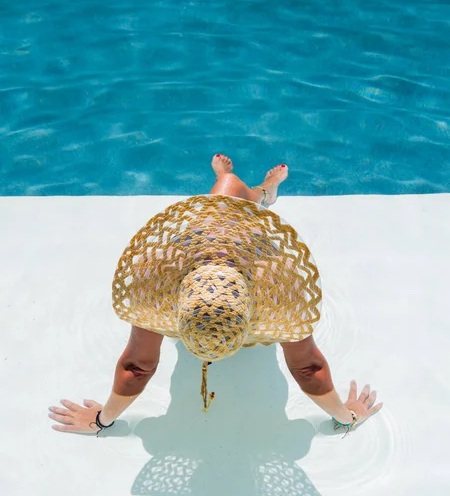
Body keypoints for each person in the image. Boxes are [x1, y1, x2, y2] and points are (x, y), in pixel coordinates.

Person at [48, 154, 383, 436]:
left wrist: (101, 421)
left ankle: (247, 189)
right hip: (241, 313)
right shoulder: (276, 286)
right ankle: (260, 193)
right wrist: (348, 416)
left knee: (222, 197)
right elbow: (309, 368)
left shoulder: (158, 283)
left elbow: (137, 367)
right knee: (229, 198)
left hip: (200, 317)